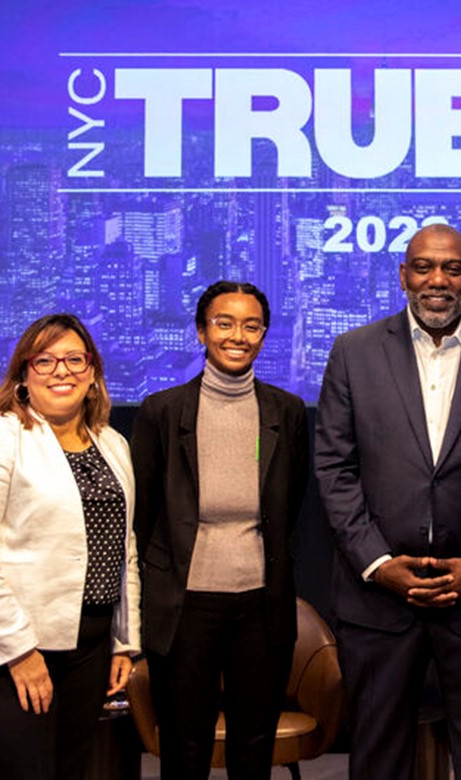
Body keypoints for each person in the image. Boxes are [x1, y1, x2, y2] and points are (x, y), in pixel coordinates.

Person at [315, 223, 461, 780]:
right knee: (377, 761)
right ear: (403, 275)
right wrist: (377, 564)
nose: (437, 279)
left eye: (451, 268)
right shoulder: (353, 353)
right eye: (423, 266)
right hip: (377, 600)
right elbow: (334, 467)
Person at [0, 313, 139, 780]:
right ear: (23, 376)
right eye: (45, 360)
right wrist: (19, 652)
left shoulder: (112, 443)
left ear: (92, 373)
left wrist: (125, 642)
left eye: (74, 359)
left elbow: (121, 546)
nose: (61, 371)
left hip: (89, 648)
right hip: (1, 652)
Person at [131, 280, 308, 780]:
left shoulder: (286, 412)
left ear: (265, 335)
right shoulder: (161, 412)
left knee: (254, 749)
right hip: (185, 603)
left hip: (261, 601)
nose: (238, 335)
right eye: (224, 323)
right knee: (185, 749)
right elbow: (143, 515)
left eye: (251, 326)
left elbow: (289, 505)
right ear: (201, 332)